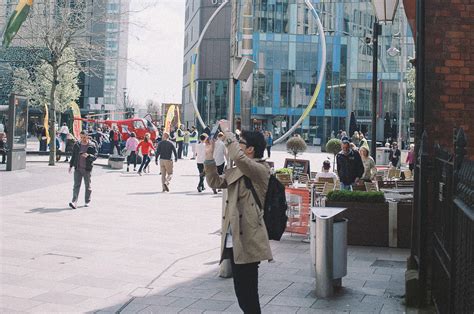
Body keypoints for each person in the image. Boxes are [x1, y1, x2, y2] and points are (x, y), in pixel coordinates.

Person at [204, 120, 272, 314]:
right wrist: (209, 156)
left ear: (250, 149)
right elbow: (215, 182)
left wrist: (227, 133)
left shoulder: (260, 170)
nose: (236, 145)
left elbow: (237, 156)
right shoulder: (238, 170)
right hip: (233, 240)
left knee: (248, 295)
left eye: (240, 142)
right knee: (242, 294)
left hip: (249, 239)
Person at [68, 131, 97, 209]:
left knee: (87, 186)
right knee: (76, 185)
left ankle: (87, 201)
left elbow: (95, 157)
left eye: (84, 137)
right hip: (78, 168)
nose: (82, 139)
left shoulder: (92, 145)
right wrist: (70, 166)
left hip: (87, 169)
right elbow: (73, 155)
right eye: (81, 137)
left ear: (87, 136)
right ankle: (74, 202)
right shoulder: (77, 145)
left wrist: (88, 156)